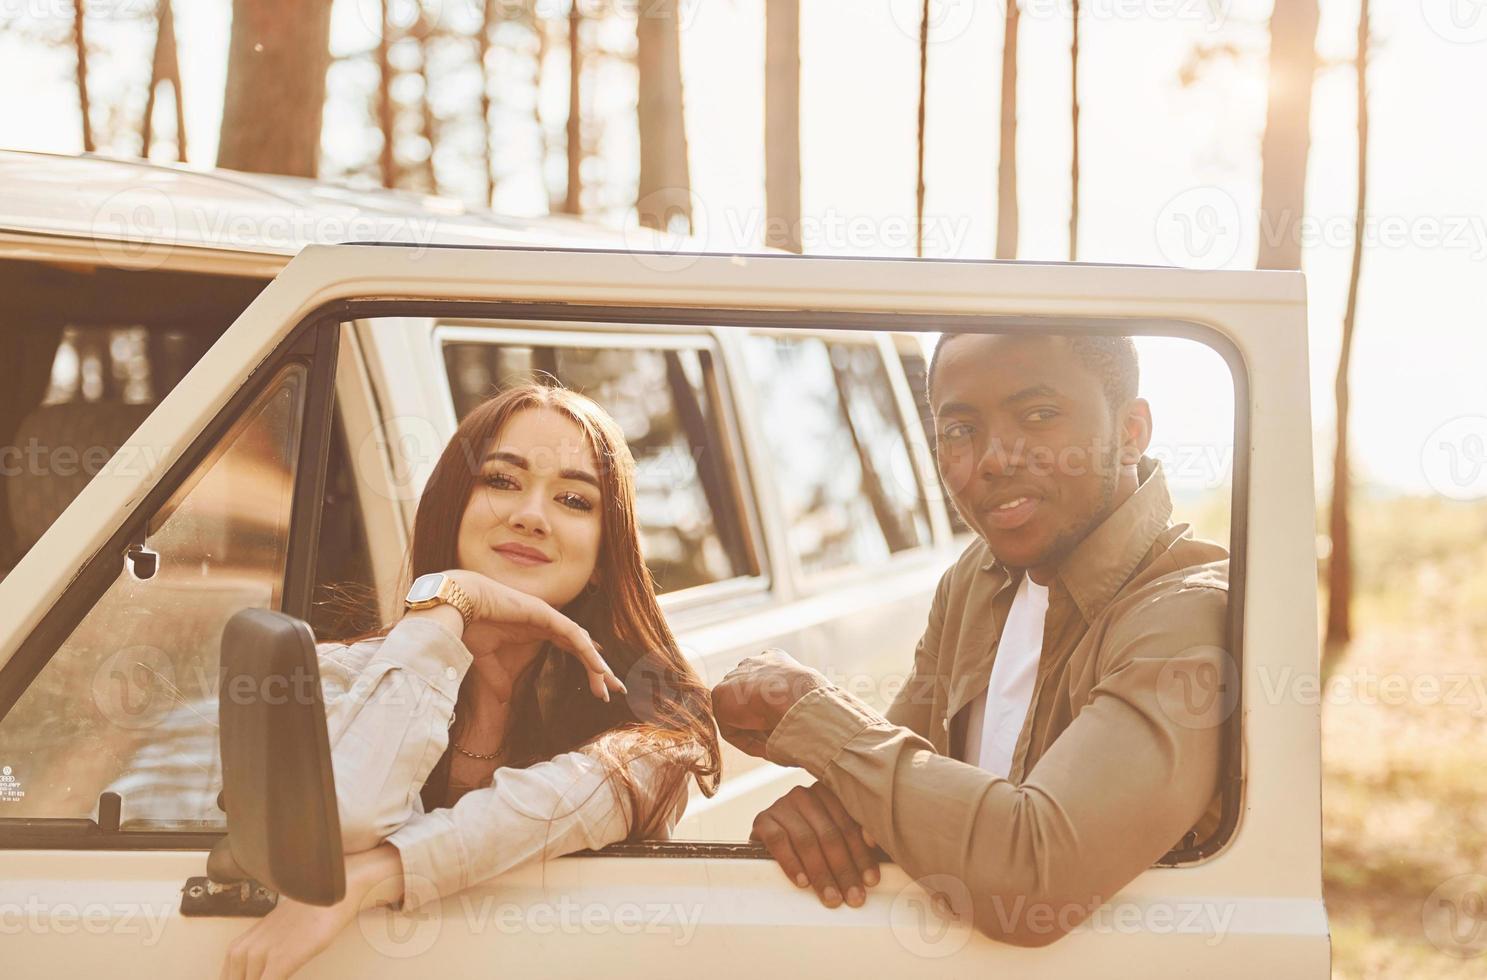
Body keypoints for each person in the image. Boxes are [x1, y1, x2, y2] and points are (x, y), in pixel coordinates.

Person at [713, 332, 1230, 947]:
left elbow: (1032, 878)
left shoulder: (1188, 613)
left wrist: (814, 717)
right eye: (959, 430)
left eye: (1038, 416)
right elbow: (880, 800)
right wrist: (818, 819)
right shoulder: (974, 580)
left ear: (1131, 431)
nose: (992, 458)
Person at [221, 382, 720, 979]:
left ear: (603, 556)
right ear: (450, 506)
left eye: (574, 500)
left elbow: (585, 797)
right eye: (501, 481)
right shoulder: (336, 675)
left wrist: (376, 875)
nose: (531, 516)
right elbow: (345, 818)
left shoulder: (641, 719)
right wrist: (445, 604)